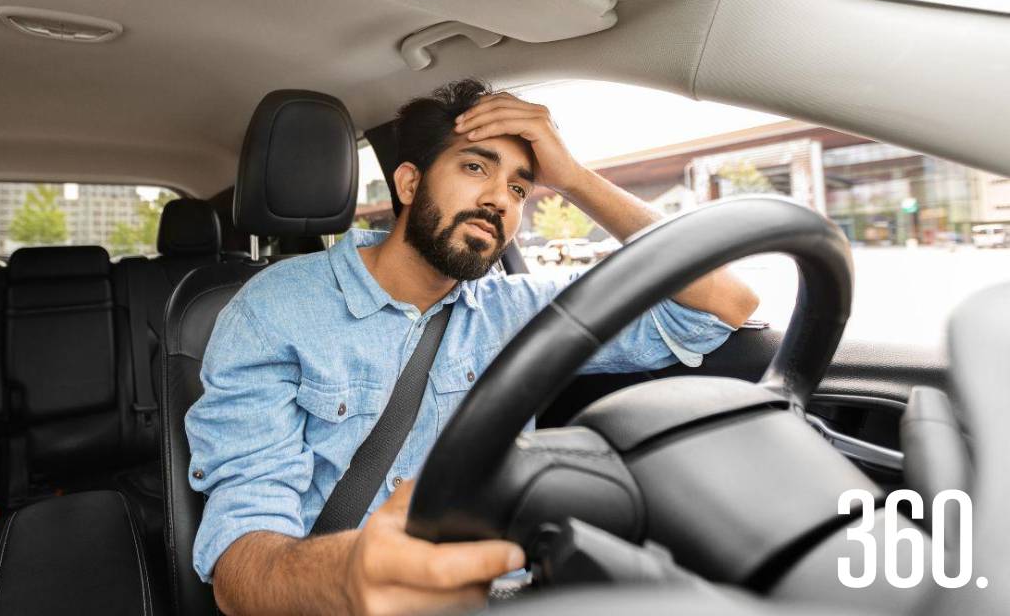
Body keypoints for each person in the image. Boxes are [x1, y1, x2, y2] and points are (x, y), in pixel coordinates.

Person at [186, 79, 760, 616]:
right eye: (474, 167)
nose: (499, 199)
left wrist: (575, 178)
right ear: (409, 184)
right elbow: (240, 567)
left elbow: (724, 302)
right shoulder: (274, 310)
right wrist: (347, 574)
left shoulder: (520, 310)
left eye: (518, 186)